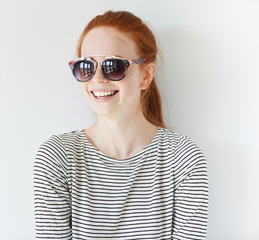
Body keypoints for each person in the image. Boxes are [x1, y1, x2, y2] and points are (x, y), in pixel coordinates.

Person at [34, 10, 209, 240]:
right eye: (86, 67)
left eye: (113, 66)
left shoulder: (183, 160)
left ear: (145, 76)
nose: (97, 79)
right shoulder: (57, 157)